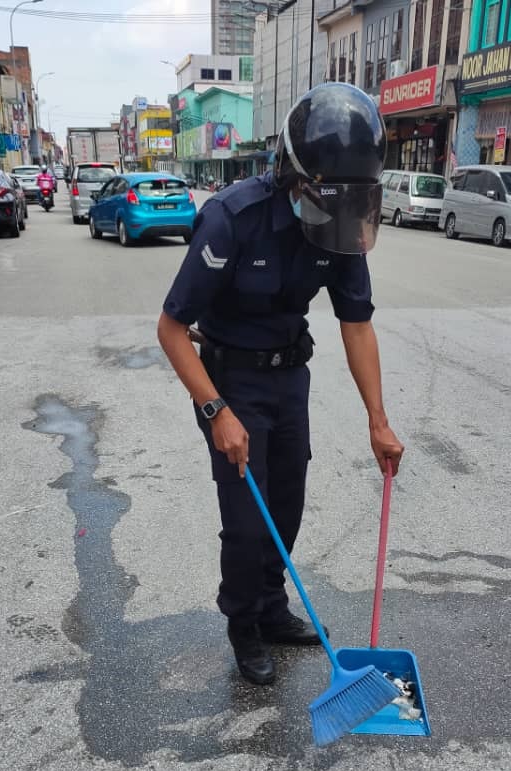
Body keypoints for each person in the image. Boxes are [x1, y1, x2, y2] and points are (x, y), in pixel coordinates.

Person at [157, 82, 404, 686]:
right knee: (246, 519)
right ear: (293, 175)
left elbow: (357, 323)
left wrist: (378, 420)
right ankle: (243, 623)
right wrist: (216, 411)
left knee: (285, 507)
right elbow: (170, 328)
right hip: (230, 379)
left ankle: (270, 606)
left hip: (289, 377)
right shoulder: (232, 217)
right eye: (325, 194)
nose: (337, 208)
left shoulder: (341, 225)